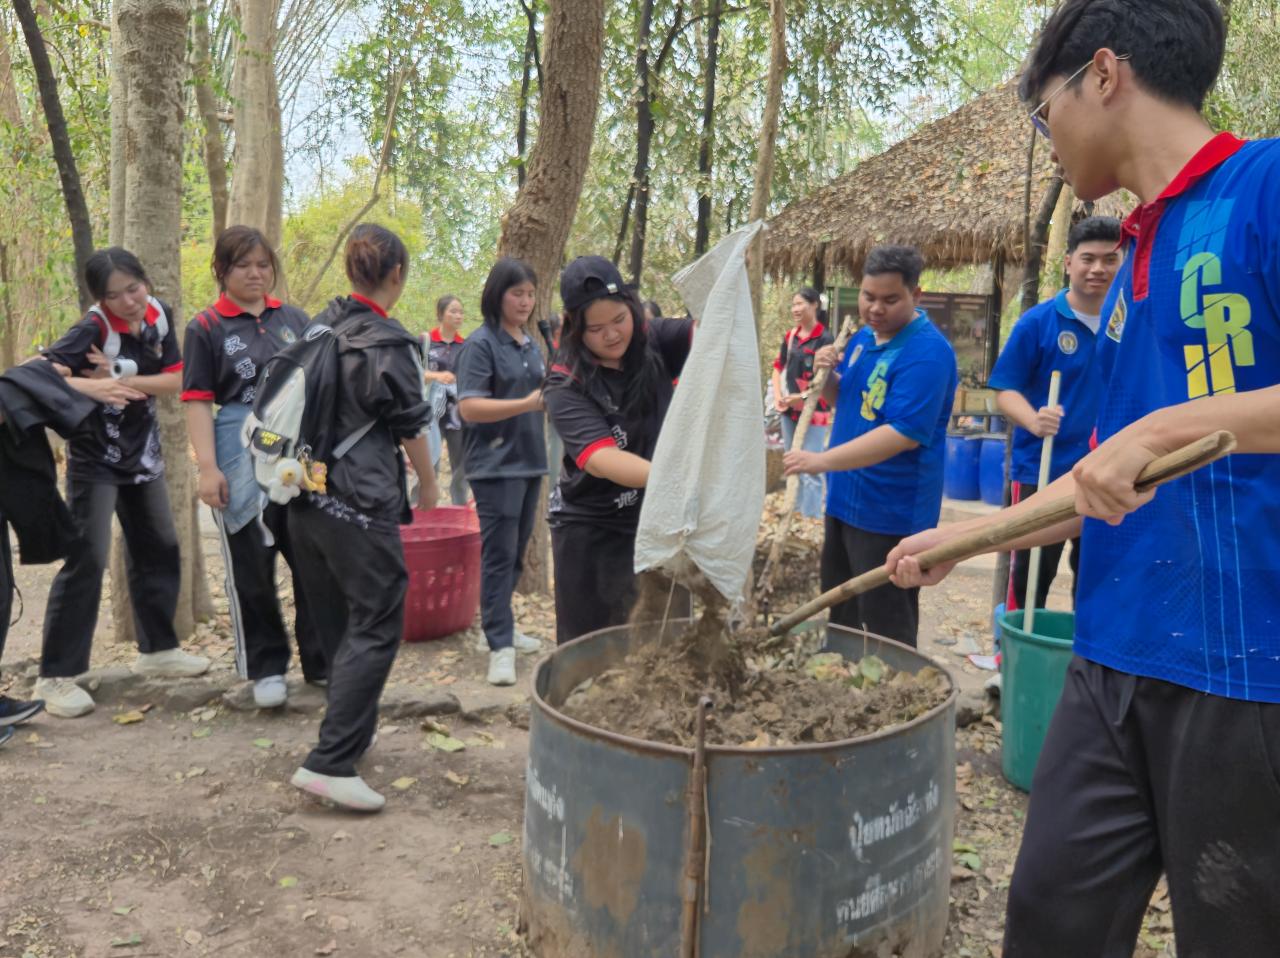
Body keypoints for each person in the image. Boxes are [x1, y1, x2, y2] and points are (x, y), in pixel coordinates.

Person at [888, 2, 1280, 954]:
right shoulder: (1132, 259)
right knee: (1049, 921)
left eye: (1043, 110)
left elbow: (1148, 439)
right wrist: (969, 537)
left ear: (1102, 75)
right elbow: (1108, 472)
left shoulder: (1263, 187)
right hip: (1109, 659)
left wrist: (1164, 426)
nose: (1049, 136)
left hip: (1244, 677)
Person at [287, 224, 438, 812]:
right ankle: (330, 762)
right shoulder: (386, 341)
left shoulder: (319, 325)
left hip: (302, 494)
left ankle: (347, 731)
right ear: (396, 274)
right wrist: (427, 483)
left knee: (337, 619)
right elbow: (409, 424)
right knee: (377, 615)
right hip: (356, 500)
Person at [33, 248, 209, 718]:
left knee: (159, 544)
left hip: (141, 450)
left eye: (134, 288)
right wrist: (90, 386)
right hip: (94, 455)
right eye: (115, 295)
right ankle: (54, 676)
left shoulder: (158, 315)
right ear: (99, 298)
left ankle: (158, 650)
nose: (129, 301)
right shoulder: (92, 328)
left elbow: (176, 378)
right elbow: (38, 374)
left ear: (145, 281)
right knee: (85, 558)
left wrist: (120, 374)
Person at [182, 226, 327, 709]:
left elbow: (317, 385)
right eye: (244, 265)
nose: (256, 273)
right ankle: (266, 668)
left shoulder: (293, 319)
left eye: (263, 264)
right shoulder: (206, 328)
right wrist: (207, 468)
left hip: (296, 449)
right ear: (222, 270)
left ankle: (322, 661)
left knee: (311, 554)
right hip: (237, 448)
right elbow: (198, 402)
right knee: (251, 560)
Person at [784, 245, 958, 648]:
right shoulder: (863, 338)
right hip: (845, 502)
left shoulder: (927, 353)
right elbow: (845, 399)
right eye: (868, 296)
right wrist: (825, 375)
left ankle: (896, 703)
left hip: (890, 513)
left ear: (917, 295)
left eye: (890, 299)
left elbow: (901, 433)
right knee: (840, 606)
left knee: (886, 621)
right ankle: (839, 684)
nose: (875, 308)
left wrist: (821, 460)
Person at [544, 256, 694, 644]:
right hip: (592, 532)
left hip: (657, 520)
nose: (612, 335)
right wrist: (675, 479)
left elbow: (711, 335)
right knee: (595, 650)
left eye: (619, 320)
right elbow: (601, 459)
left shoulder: (655, 341)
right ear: (576, 329)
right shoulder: (564, 383)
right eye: (596, 328)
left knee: (667, 642)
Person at [989, 216, 1122, 611]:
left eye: (1109, 259)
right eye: (1088, 258)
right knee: (1030, 578)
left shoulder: (1129, 322)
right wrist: (1032, 419)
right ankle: (1008, 662)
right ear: (1068, 263)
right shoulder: (1038, 323)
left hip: (1108, 474)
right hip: (1042, 471)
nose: (1098, 268)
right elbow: (1004, 389)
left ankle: (1086, 665)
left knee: (1098, 579)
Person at [456, 258, 546, 686]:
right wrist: (526, 404)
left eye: (530, 293)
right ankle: (499, 646)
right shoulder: (481, 344)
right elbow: (469, 407)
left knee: (513, 556)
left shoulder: (528, 343)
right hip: (495, 467)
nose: (525, 301)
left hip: (530, 461)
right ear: (497, 295)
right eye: (517, 293)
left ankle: (501, 628)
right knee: (497, 556)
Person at [771, 286, 835, 519]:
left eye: (800, 304)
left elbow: (823, 379)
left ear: (815, 305)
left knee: (812, 466)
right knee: (792, 462)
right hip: (789, 410)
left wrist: (802, 397)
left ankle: (810, 520)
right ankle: (793, 514)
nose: (795, 309)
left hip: (815, 411)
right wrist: (779, 397)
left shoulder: (825, 338)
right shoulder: (790, 337)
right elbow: (778, 368)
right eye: (793, 304)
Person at [423, 294, 469, 506]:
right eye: (453, 311)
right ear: (440, 314)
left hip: (457, 414)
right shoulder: (425, 342)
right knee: (428, 462)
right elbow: (413, 373)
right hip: (430, 413)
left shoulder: (466, 346)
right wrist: (436, 376)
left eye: (460, 312)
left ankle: (459, 509)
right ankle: (423, 508)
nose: (458, 315)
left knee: (460, 467)